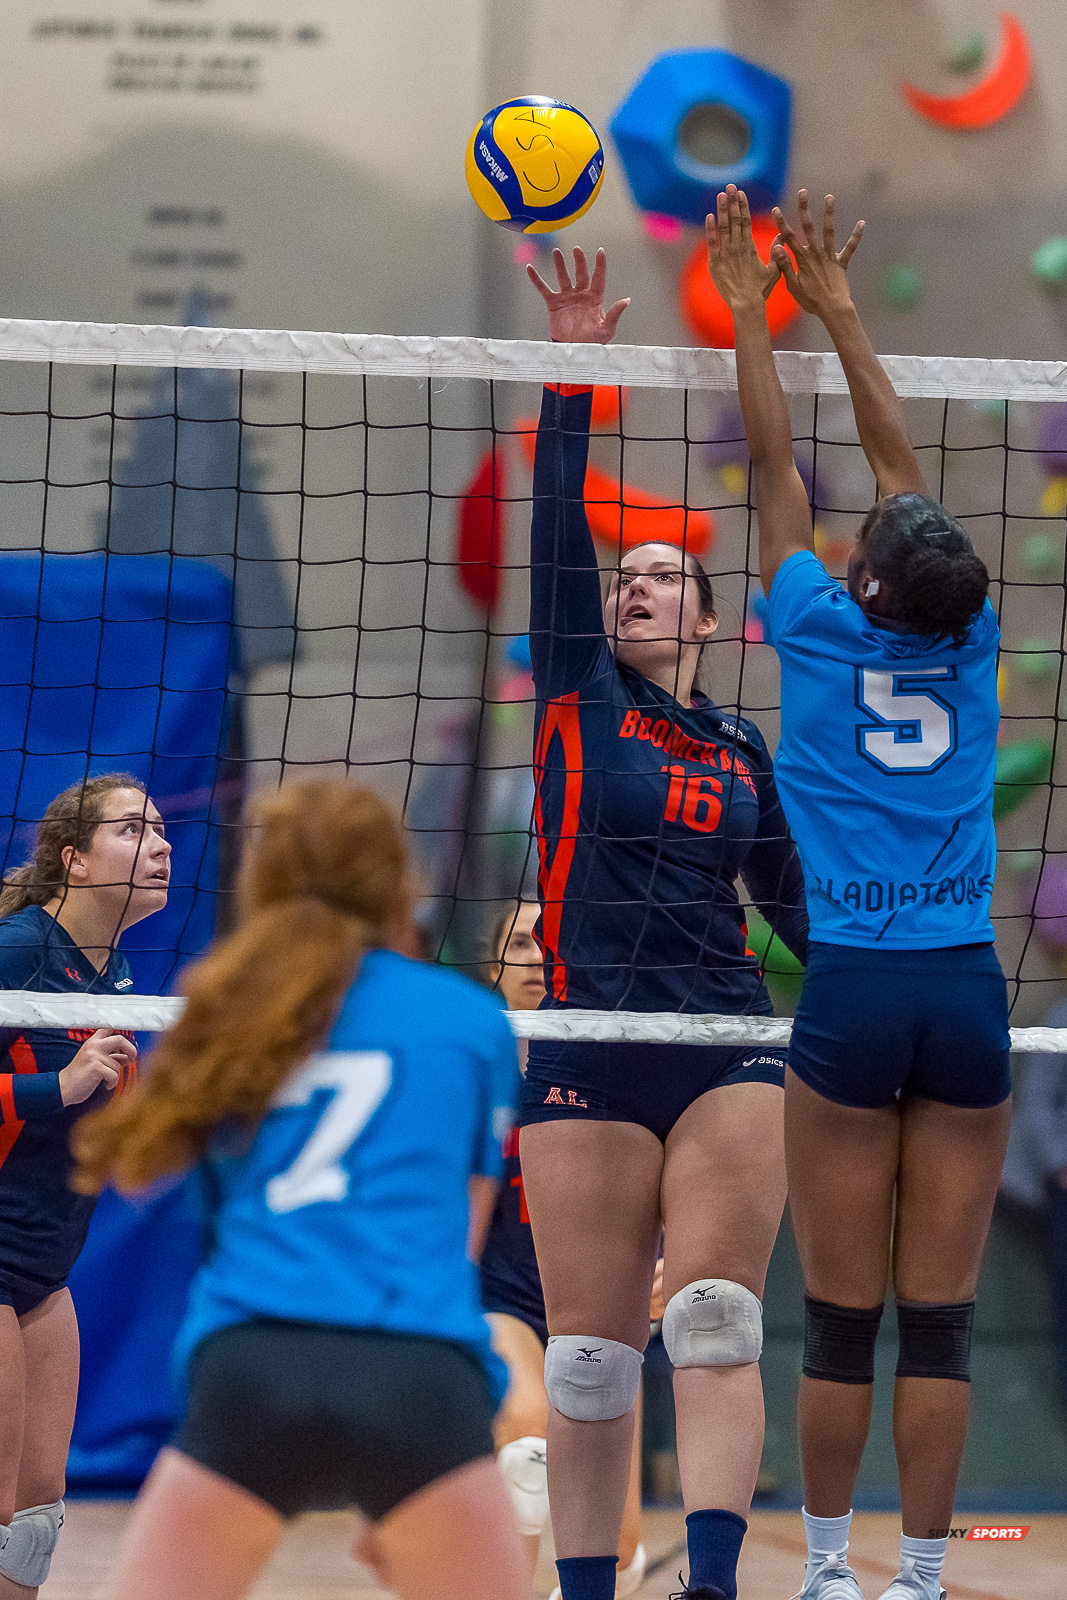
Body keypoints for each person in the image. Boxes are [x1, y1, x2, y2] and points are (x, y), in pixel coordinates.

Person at [706, 185, 1009, 1600]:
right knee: (937, 1324)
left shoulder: (818, 636)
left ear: (864, 589)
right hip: (961, 993)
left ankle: (826, 1572)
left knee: (835, 1322)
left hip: (849, 995)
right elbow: (900, 484)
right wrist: (836, 304)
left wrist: (758, 310)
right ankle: (925, 1579)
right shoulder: (971, 633)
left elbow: (780, 471)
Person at [518, 246, 809, 1600]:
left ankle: (705, 1584)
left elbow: (794, 905)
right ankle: (582, 1587)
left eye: (658, 578)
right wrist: (573, 367)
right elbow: (553, 530)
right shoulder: (579, 697)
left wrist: (888, 992)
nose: (631, 587)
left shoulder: (742, 746)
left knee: (710, 1319)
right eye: (621, 577)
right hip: (584, 1030)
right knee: (583, 1355)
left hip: (722, 1038)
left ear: (703, 615)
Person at [72, 779, 528, 1600]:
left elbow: (196, 1206)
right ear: (397, 881)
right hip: (415, 1369)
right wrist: (424, 1460)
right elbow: (459, 1241)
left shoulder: (221, 999)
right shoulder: (470, 1019)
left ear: (265, 881)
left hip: (253, 1360)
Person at [0, 772, 169, 1597]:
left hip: (45, 1264)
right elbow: (51, 1092)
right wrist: (54, 1090)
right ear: (73, 858)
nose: (161, 845)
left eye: (162, 829)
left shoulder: (118, 978)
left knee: (38, 1508)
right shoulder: (18, 950)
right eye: (132, 831)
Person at [480, 900, 650, 1597]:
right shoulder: (471, 1071)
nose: (534, 956)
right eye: (518, 943)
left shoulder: (620, 1063)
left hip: (601, 1305)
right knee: (524, 1445)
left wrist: (672, 1259)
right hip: (500, 1300)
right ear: (494, 965)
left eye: (549, 941)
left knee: (621, 1560)